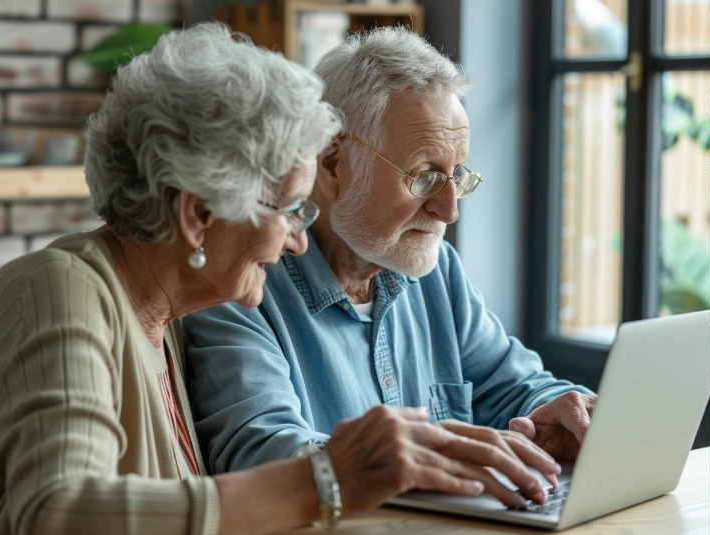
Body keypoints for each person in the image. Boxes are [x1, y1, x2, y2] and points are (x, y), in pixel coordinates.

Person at [0, 23, 556, 535]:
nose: (301, 237)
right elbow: (63, 512)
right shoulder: (59, 292)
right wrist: (328, 478)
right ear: (198, 215)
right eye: (289, 209)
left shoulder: (165, 318)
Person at [182, 26, 598, 484]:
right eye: (423, 177)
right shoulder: (240, 285)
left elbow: (514, 387)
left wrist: (565, 410)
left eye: (457, 177)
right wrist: (402, 459)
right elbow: (258, 452)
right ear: (333, 164)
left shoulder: (435, 271)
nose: (450, 210)